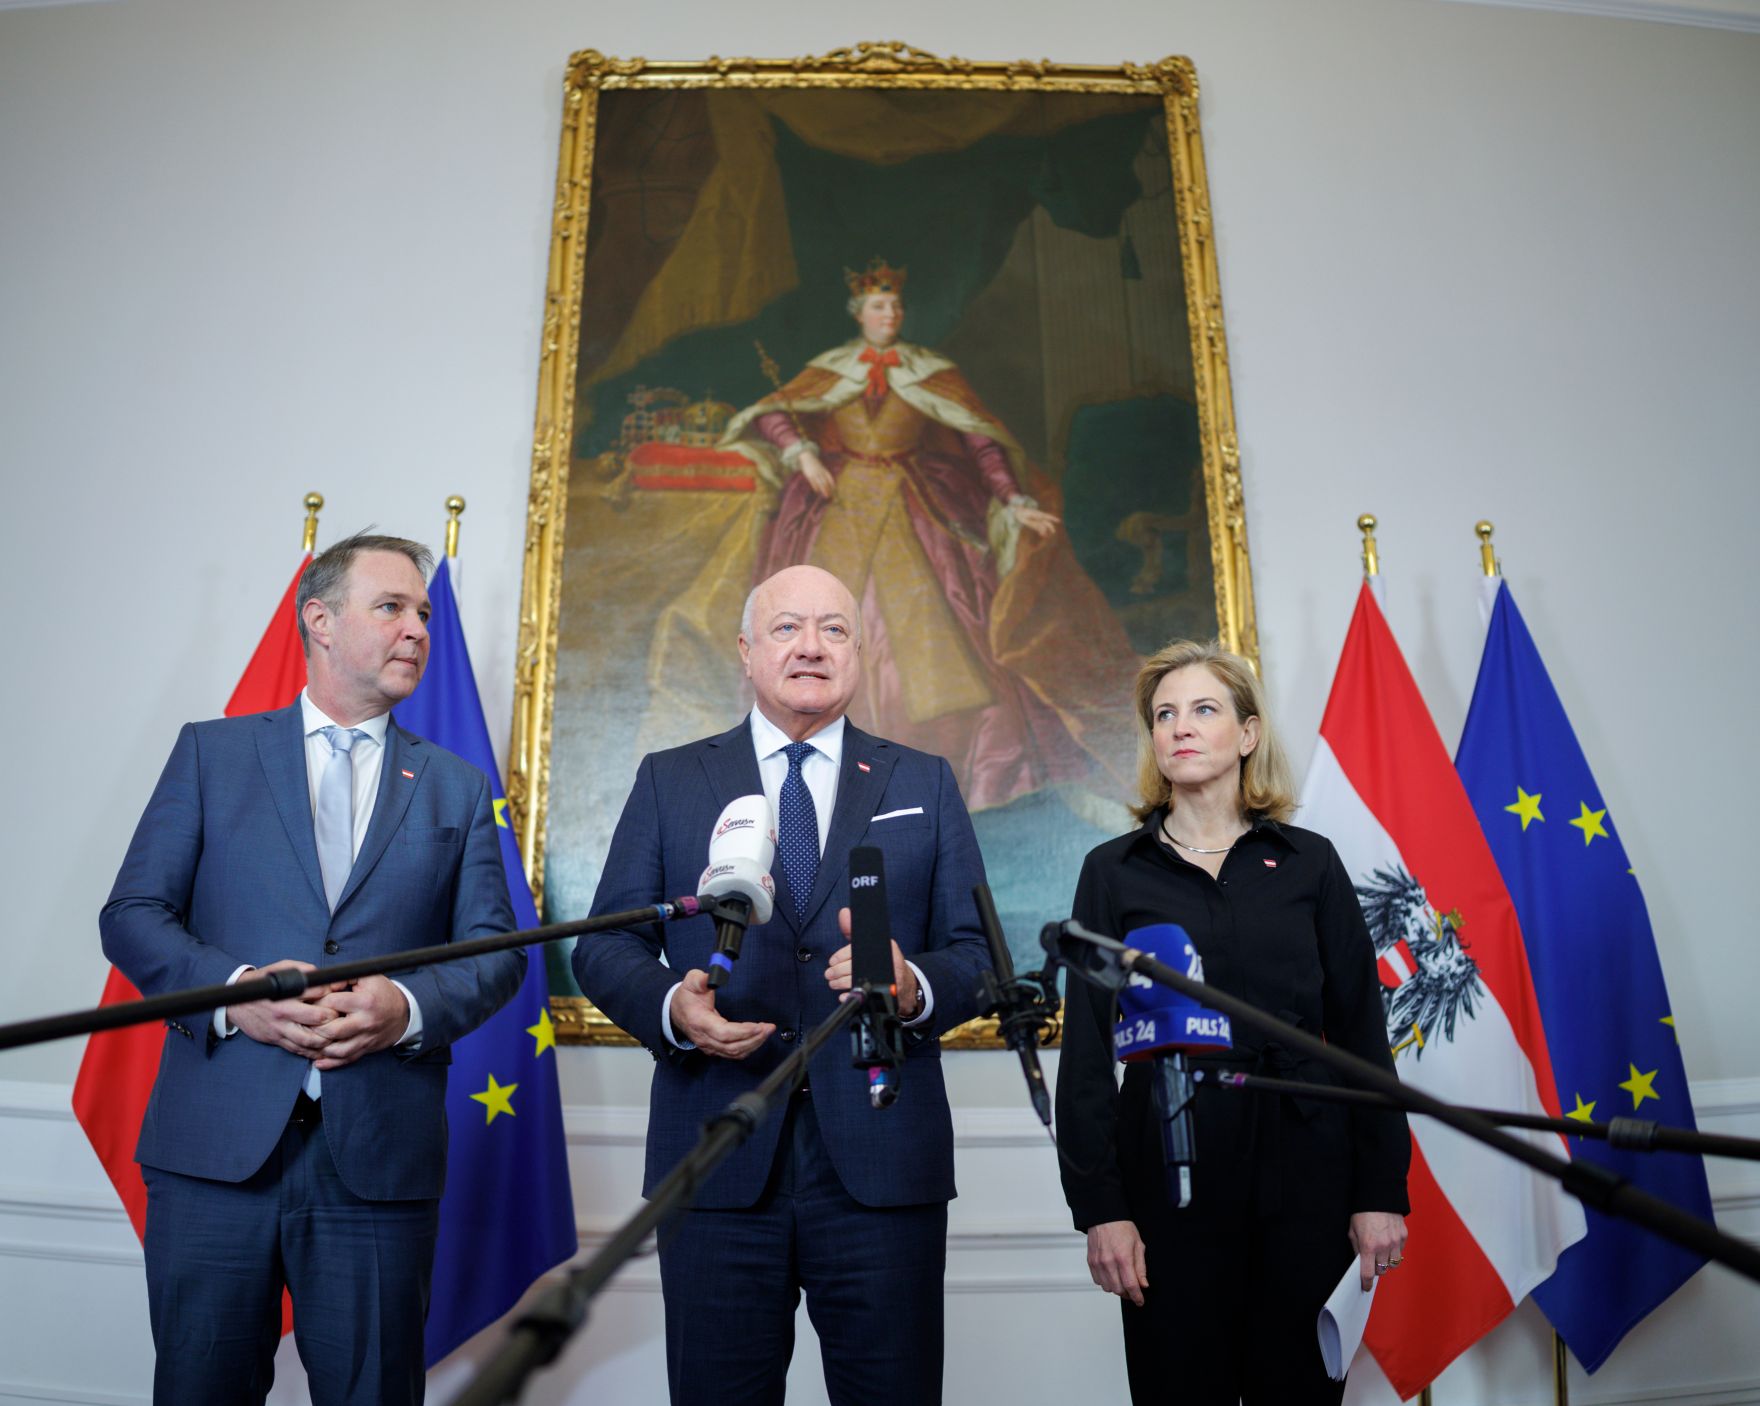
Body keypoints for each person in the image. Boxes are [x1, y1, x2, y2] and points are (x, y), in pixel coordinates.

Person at [100, 532, 526, 1406]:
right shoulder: (212, 755)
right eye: (392, 607)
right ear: (321, 622)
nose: (417, 629)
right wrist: (237, 998)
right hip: (215, 1156)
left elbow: (495, 955)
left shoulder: (454, 785)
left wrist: (401, 1007)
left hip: (377, 1162)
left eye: (423, 614)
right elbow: (133, 916)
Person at [574, 563, 992, 1406]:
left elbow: (977, 953)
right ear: (746, 651)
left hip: (881, 1161)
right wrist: (672, 1008)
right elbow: (606, 945)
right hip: (718, 1150)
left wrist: (912, 988)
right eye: (787, 628)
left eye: (835, 629)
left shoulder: (923, 780)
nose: (811, 647)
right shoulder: (671, 778)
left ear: (860, 651)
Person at [1054, 640, 1410, 1405]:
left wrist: (1381, 1189)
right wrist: (1101, 1210)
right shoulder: (1111, 873)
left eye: (1204, 709)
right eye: (1164, 714)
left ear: (1247, 734)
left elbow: (1361, 1035)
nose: (1180, 727)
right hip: (1167, 1186)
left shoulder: (1310, 863)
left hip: (1308, 1182)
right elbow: (1085, 1056)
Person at [717, 258, 1141, 812]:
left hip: (913, 507)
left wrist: (1013, 500)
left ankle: (956, 772)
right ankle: (823, 767)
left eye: (895, 306)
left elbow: (980, 442)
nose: (888, 313)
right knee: (822, 622)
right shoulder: (831, 368)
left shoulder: (929, 370)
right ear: (859, 315)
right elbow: (775, 414)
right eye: (878, 306)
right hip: (835, 508)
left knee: (939, 630)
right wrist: (802, 453)